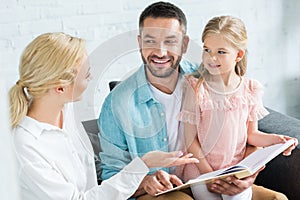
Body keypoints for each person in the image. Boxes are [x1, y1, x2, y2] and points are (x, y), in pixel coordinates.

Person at [98, 2, 290, 200]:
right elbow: (111, 176)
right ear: (139, 42)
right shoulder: (118, 103)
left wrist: (247, 176)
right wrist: (145, 182)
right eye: (150, 41)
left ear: (184, 44)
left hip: (214, 179)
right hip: (161, 192)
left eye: (171, 41)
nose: (161, 52)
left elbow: (246, 135)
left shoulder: (208, 79)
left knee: (278, 199)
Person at [9, 32, 199, 200]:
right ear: (60, 88)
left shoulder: (63, 113)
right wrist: (143, 164)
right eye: (86, 75)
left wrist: (145, 181)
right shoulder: (25, 146)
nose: (91, 79)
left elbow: (96, 176)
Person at [179, 15, 298, 200]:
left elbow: (252, 135)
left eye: (221, 52)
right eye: (207, 49)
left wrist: (277, 140)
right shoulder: (196, 88)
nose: (211, 58)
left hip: (235, 171)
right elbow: (190, 140)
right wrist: (209, 175)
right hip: (201, 172)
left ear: (238, 55)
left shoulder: (250, 89)